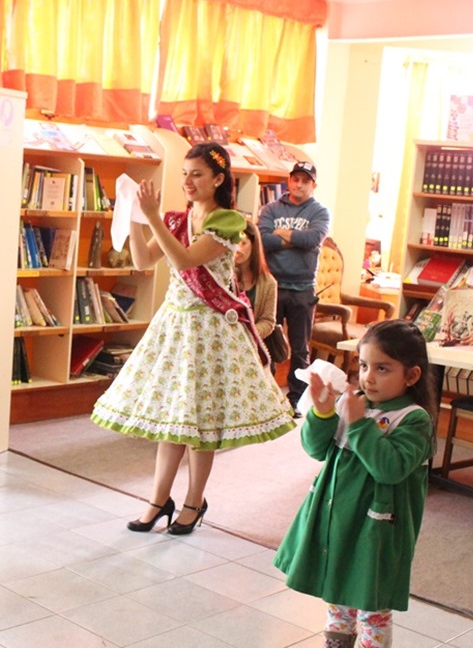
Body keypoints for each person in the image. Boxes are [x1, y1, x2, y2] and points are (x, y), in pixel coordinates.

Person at [91, 142, 295, 535]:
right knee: (174, 420)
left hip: (210, 331)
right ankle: (157, 501)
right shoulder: (175, 219)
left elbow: (184, 261)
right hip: (176, 327)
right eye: (184, 172)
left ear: (218, 179)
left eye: (197, 173)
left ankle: (192, 502)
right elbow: (142, 261)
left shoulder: (230, 221)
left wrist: (152, 218)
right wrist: (135, 216)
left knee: (200, 424)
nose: (187, 181)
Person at [273, 320, 436, 648]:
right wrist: (324, 411)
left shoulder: (414, 420)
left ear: (411, 375)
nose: (368, 376)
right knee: (339, 603)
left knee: (372, 610)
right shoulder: (357, 403)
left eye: (383, 368)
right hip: (339, 526)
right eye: (363, 365)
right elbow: (315, 449)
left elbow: (390, 468)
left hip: (376, 534)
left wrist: (360, 423)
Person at [258, 160, 331, 417]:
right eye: (295, 179)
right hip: (273, 287)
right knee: (267, 344)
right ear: (289, 181)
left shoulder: (320, 212)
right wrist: (294, 239)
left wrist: (282, 234)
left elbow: (312, 239)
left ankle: (296, 400)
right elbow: (262, 240)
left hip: (303, 289)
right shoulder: (271, 208)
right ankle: (265, 397)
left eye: (305, 181)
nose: (299, 184)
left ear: (313, 185)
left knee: (300, 349)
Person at [234, 220, 286, 373]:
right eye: (234, 243)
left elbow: (268, 321)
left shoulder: (268, 282)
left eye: (243, 243)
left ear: (254, 245)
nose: (237, 249)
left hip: (252, 346)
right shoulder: (223, 276)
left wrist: (248, 333)